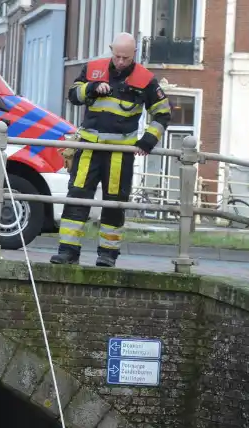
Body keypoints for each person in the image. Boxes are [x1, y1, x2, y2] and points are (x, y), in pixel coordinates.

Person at [52, 33, 170, 268]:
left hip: (120, 153)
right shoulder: (93, 69)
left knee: (114, 204)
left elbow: (163, 113)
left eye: (126, 58)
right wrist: (92, 88)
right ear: (111, 51)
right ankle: (67, 251)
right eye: (117, 56)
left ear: (134, 54)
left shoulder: (145, 79)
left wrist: (148, 140)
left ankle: (107, 255)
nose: (121, 62)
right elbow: (72, 95)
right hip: (88, 149)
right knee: (77, 198)